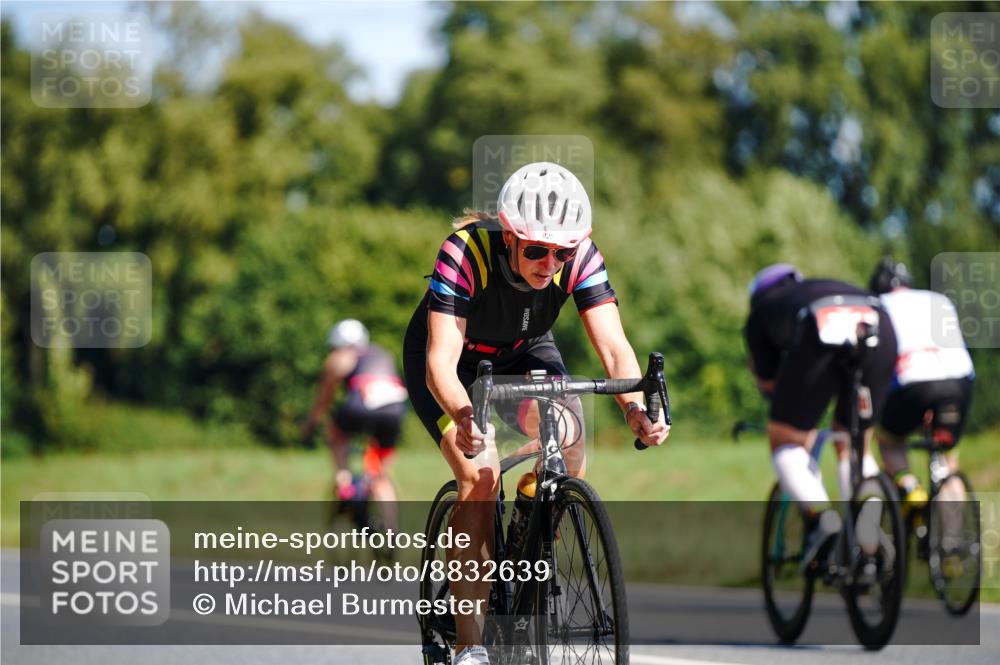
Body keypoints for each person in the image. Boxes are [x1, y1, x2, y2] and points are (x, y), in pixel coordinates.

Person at [403, 161, 669, 665]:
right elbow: (440, 360)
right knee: (480, 477)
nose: (550, 263)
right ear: (509, 237)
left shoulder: (580, 256)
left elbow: (614, 346)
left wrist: (635, 407)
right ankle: (470, 643)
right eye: (536, 250)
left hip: (524, 350)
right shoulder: (463, 253)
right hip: (450, 362)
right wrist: (464, 414)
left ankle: (529, 531)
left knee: (568, 439)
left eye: (562, 252)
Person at [744, 264, 898, 563]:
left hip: (822, 323)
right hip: (880, 321)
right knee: (854, 442)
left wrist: (797, 420)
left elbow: (770, 385)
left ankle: (821, 518)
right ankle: (867, 537)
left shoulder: (762, 312)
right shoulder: (816, 286)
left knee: (784, 440)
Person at [868, 258, 975, 513]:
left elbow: (875, 363)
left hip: (911, 382)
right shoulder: (938, 299)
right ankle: (952, 542)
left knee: (890, 442)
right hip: (959, 381)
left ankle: (909, 486)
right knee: (947, 456)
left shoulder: (877, 306)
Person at [303, 319, 408, 532]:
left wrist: (312, 421)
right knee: (380, 472)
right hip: (395, 408)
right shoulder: (383, 352)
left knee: (337, 436)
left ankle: (345, 483)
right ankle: (391, 529)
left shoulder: (341, 356)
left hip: (360, 403)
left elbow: (325, 396)